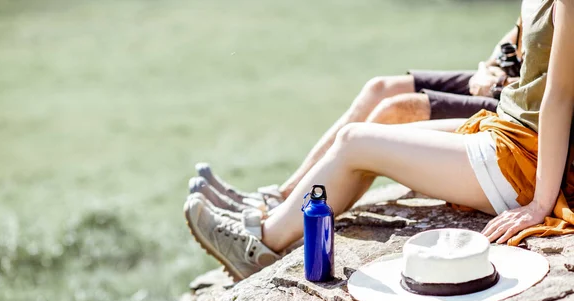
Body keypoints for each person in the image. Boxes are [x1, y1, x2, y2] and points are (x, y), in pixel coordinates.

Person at [185, 0, 574, 282]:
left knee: (357, 141)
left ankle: (260, 246)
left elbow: (559, 98)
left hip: (525, 157)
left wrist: (540, 204)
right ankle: (272, 216)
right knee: (356, 143)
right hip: (504, 130)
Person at [189, 23, 521, 212]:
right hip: (502, 78)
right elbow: (516, 34)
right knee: (379, 88)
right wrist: (491, 65)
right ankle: (280, 196)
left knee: (395, 111)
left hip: (515, 98)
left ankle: (293, 209)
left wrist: (497, 81)